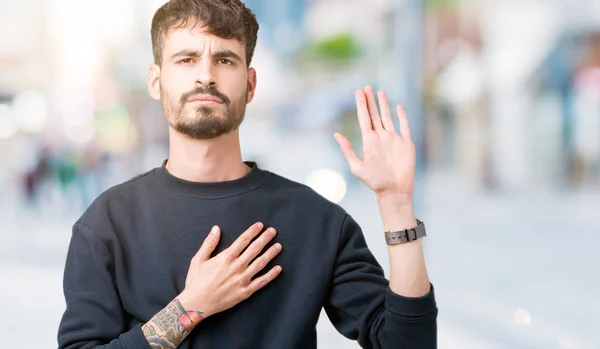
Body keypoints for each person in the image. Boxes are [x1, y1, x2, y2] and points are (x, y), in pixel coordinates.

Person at [57, 0, 437, 348]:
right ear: (156, 81)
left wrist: (396, 203)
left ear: (250, 83)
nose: (205, 75)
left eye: (224, 60)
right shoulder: (107, 224)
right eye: (186, 59)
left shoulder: (316, 219)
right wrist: (190, 307)